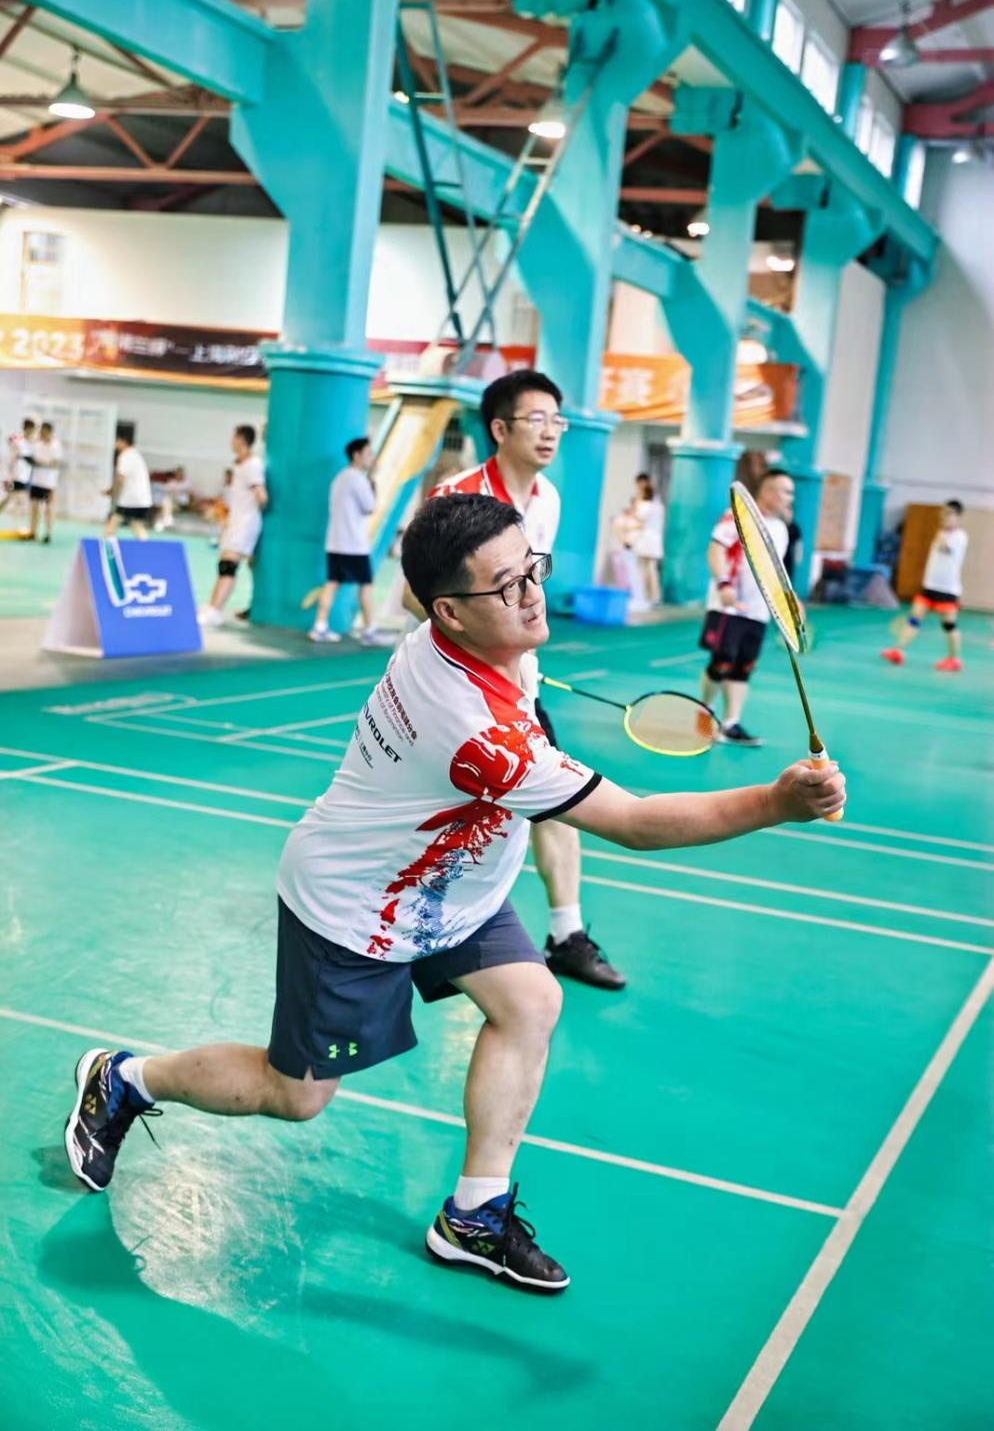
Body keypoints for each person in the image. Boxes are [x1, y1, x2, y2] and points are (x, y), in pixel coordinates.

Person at [63, 492, 845, 1293]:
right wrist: (775, 804)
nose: (532, 594)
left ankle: (474, 1216)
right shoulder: (480, 735)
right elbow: (637, 824)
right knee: (294, 1097)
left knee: (530, 1003)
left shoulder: (467, 637)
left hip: (453, 886)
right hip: (358, 908)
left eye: (533, 570)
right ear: (451, 612)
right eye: (507, 586)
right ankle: (125, 1078)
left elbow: (436, 594)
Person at [423, 368, 624, 990]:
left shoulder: (549, 499)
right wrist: (484, 646)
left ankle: (566, 934)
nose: (550, 432)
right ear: (499, 429)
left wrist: (515, 655)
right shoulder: (456, 496)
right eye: (536, 419)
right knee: (435, 813)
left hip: (518, 686)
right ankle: (415, 923)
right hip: (452, 687)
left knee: (556, 802)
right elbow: (416, 596)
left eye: (557, 420)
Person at [699, 468, 795, 746]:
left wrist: (790, 599)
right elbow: (715, 549)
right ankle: (704, 715)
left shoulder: (780, 528)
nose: (790, 497)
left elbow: (775, 571)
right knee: (721, 663)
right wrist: (724, 584)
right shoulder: (738, 517)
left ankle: (731, 724)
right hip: (729, 607)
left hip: (758, 611)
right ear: (768, 491)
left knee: (744, 667)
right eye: (786, 491)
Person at [308, 436, 391, 647]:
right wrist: (373, 479)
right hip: (354, 546)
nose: (371, 458)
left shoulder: (340, 477)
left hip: (335, 543)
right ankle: (369, 631)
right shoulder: (358, 479)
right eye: (368, 453)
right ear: (356, 455)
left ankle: (319, 626)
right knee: (366, 587)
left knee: (331, 584)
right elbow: (370, 507)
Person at [882, 500, 968, 672]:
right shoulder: (941, 532)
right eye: (943, 513)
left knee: (949, 626)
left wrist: (942, 537)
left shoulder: (960, 537)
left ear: (958, 517)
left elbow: (946, 550)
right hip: (930, 587)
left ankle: (954, 659)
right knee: (914, 618)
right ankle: (898, 651)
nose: (944, 517)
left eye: (949, 514)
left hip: (947, 590)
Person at [198, 426, 267, 628]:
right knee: (225, 564)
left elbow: (262, 496)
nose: (231, 441)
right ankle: (212, 606)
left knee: (229, 565)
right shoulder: (240, 464)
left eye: (234, 437)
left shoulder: (253, 465)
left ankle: (215, 611)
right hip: (236, 522)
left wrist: (250, 513)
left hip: (245, 523)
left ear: (241, 439)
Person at [104, 430, 152, 540]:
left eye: (117, 441)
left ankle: (107, 545)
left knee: (113, 523)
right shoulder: (136, 454)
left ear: (122, 442)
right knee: (136, 525)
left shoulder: (125, 456)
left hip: (130, 498)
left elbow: (120, 478)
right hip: (144, 499)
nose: (115, 444)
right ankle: (145, 545)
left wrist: (113, 491)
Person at [26, 420, 62, 544]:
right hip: (36, 480)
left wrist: (42, 463)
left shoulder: (55, 445)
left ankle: (48, 533)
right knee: (34, 508)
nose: (42, 434)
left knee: (48, 508)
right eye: (41, 432)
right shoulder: (37, 444)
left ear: (50, 432)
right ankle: (33, 532)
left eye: (44, 432)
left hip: (49, 483)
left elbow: (56, 463)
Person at [632, 472, 664, 607]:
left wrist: (635, 506)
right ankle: (648, 596)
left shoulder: (647, 503)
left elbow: (639, 519)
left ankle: (653, 597)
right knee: (646, 569)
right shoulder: (656, 502)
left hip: (648, 539)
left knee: (650, 569)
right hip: (649, 538)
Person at [0, 417, 35, 528]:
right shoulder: (19, 439)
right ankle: (18, 523)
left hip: (25, 475)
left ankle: (18, 523)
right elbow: (10, 439)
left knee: (16, 499)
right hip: (17, 474)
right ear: (28, 428)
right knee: (14, 498)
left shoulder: (31, 442)